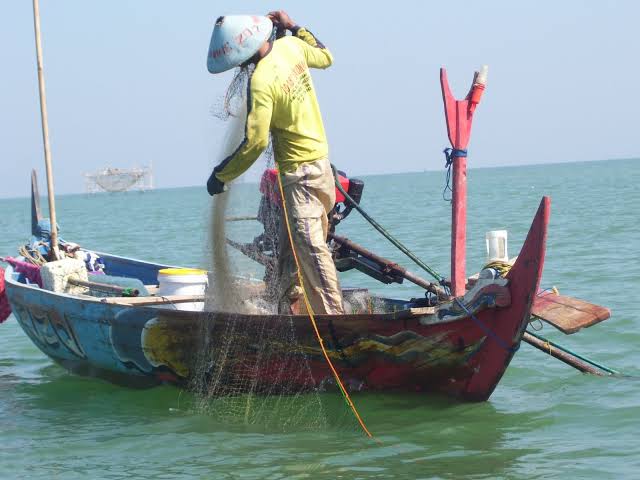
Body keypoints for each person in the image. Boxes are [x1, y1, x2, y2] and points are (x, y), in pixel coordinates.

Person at [206, 11, 344, 315]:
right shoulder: (291, 47)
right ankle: (289, 313)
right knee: (289, 252)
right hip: (322, 169)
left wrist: (221, 175)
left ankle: (336, 324)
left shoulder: (261, 81)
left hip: (300, 177)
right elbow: (326, 56)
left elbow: (254, 143)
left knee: (310, 251)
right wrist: (294, 27)